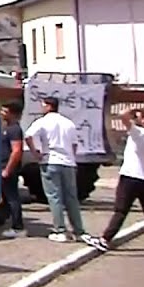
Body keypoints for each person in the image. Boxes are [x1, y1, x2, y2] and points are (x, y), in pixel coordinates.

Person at [89, 107, 144, 259]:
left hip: (130, 176)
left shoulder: (139, 133)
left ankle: (105, 239)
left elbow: (123, 116)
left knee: (121, 210)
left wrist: (133, 111)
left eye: (139, 117)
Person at [25, 95, 93, 243]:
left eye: (43, 105)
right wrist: (71, 157)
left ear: (49, 106)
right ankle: (79, 230)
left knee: (54, 197)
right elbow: (74, 144)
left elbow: (28, 135)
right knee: (71, 198)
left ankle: (60, 230)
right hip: (68, 162)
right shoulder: (68, 123)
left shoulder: (42, 122)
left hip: (50, 160)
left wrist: (35, 152)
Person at [0, 101, 26, 238]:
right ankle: (11, 222)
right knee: (6, 197)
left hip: (7, 168)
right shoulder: (6, 127)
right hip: (1, 166)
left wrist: (8, 169)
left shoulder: (14, 129)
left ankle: (18, 227)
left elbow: (16, 151)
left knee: (12, 198)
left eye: (4, 111)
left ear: (12, 113)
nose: (2, 113)